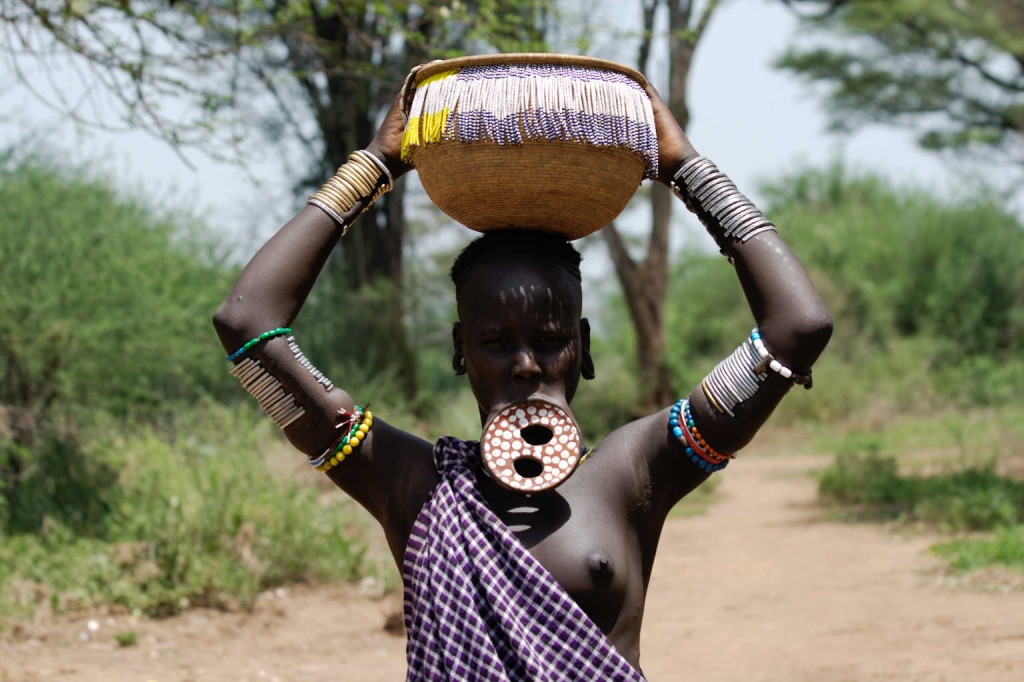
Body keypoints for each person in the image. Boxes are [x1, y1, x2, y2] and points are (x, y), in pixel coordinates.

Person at [213, 77, 832, 680]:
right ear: (462, 353)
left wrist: (684, 167)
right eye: (495, 343)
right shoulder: (414, 486)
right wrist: (373, 165)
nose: (527, 364)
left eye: (550, 339)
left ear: (582, 348)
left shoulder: (634, 472)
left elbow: (797, 329)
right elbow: (247, 325)